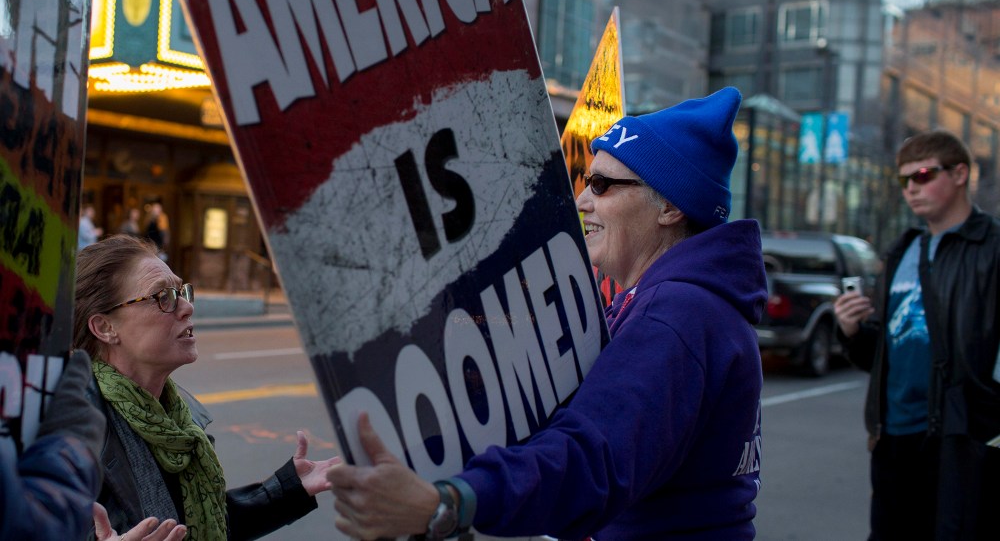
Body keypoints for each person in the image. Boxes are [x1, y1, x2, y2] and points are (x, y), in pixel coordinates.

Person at [327, 87, 767, 540]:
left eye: (602, 185)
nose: (582, 200)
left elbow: (591, 459)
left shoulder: (676, 314)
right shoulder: (692, 306)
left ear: (672, 206)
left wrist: (449, 502)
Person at [73, 234, 340, 540]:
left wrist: (287, 489)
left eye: (181, 292)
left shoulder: (181, 418)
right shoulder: (70, 433)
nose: (186, 307)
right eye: (162, 297)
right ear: (105, 327)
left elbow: (201, 524)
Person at [833, 130, 1000, 540]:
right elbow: (883, 350)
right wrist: (852, 329)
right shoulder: (902, 251)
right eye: (904, 180)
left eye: (923, 175)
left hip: (959, 439)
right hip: (892, 437)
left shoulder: (992, 247)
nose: (911, 188)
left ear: (960, 173)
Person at [1, 350, 104, 540]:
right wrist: (72, 448)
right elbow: (25, 528)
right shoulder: (93, 399)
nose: (178, 317)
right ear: (104, 328)